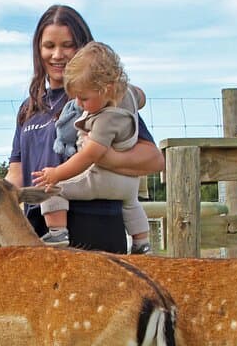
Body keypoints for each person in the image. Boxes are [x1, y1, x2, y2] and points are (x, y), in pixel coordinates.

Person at [6, 5, 164, 346]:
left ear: (84, 49)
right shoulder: (30, 108)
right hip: (42, 234)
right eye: (48, 45)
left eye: (66, 45)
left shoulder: (103, 97)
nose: (56, 54)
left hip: (91, 228)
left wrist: (96, 159)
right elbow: (16, 169)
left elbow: (151, 158)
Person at [32, 41, 152, 254]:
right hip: (128, 185)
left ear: (107, 89)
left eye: (84, 97)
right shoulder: (127, 94)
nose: (78, 103)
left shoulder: (106, 120)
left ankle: (58, 232)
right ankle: (142, 243)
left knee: (51, 190)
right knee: (131, 204)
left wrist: (57, 174)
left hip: (102, 180)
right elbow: (141, 96)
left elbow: (89, 155)